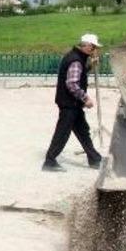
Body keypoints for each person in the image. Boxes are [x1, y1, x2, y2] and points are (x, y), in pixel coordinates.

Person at [43, 33, 103, 172]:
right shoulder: (76, 60)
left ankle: (94, 159)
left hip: (72, 103)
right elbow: (72, 83)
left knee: (83, 131)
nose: (94, 50)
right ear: (87, 46)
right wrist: (85, 98)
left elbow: (77, 74)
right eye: (93, 47)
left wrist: (89, 67)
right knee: (62, 133)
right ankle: (50, 161)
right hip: (70, 103)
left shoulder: (75, 57)